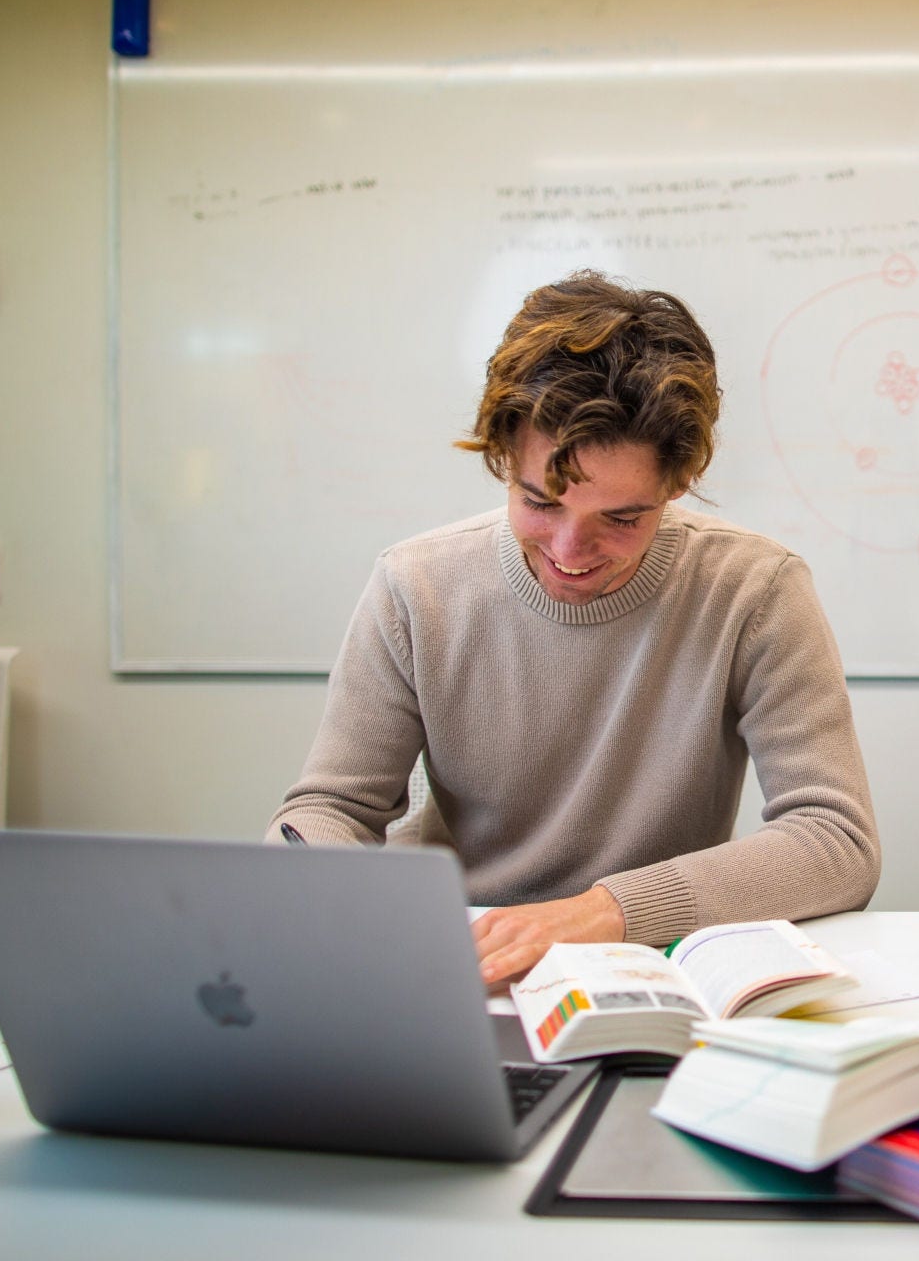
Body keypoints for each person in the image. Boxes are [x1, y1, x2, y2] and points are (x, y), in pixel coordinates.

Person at [270, 271, 881, 982]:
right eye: (539, 502)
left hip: (644, 969)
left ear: (679, 482)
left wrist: (597, 915)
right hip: (450, 964)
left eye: (621, 519)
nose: (568, 552)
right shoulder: (417, 586)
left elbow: (836, 841)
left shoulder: (756, 590)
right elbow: (327, 810)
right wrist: (336, 896)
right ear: (503, 462)